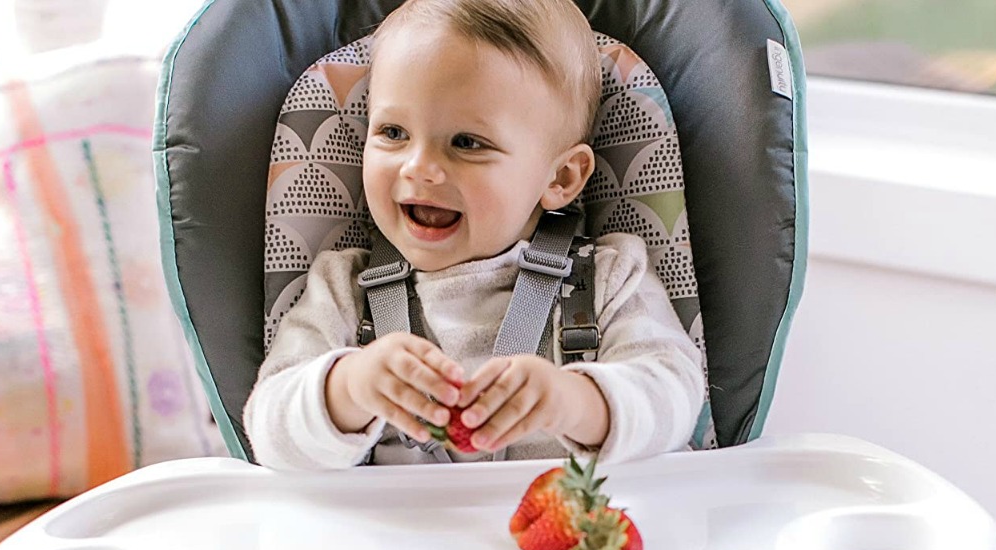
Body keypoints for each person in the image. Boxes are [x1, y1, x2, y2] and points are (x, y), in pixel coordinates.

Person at [244, 0, 703, 469]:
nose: (417, 166)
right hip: (397, 538)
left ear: (562, 178)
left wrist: (577, 401)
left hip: (565, 531)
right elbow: (268, 429)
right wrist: (348, 388)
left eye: (466, 142)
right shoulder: (344, 288)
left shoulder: (609, 277)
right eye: (393, 132)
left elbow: (676, 393)